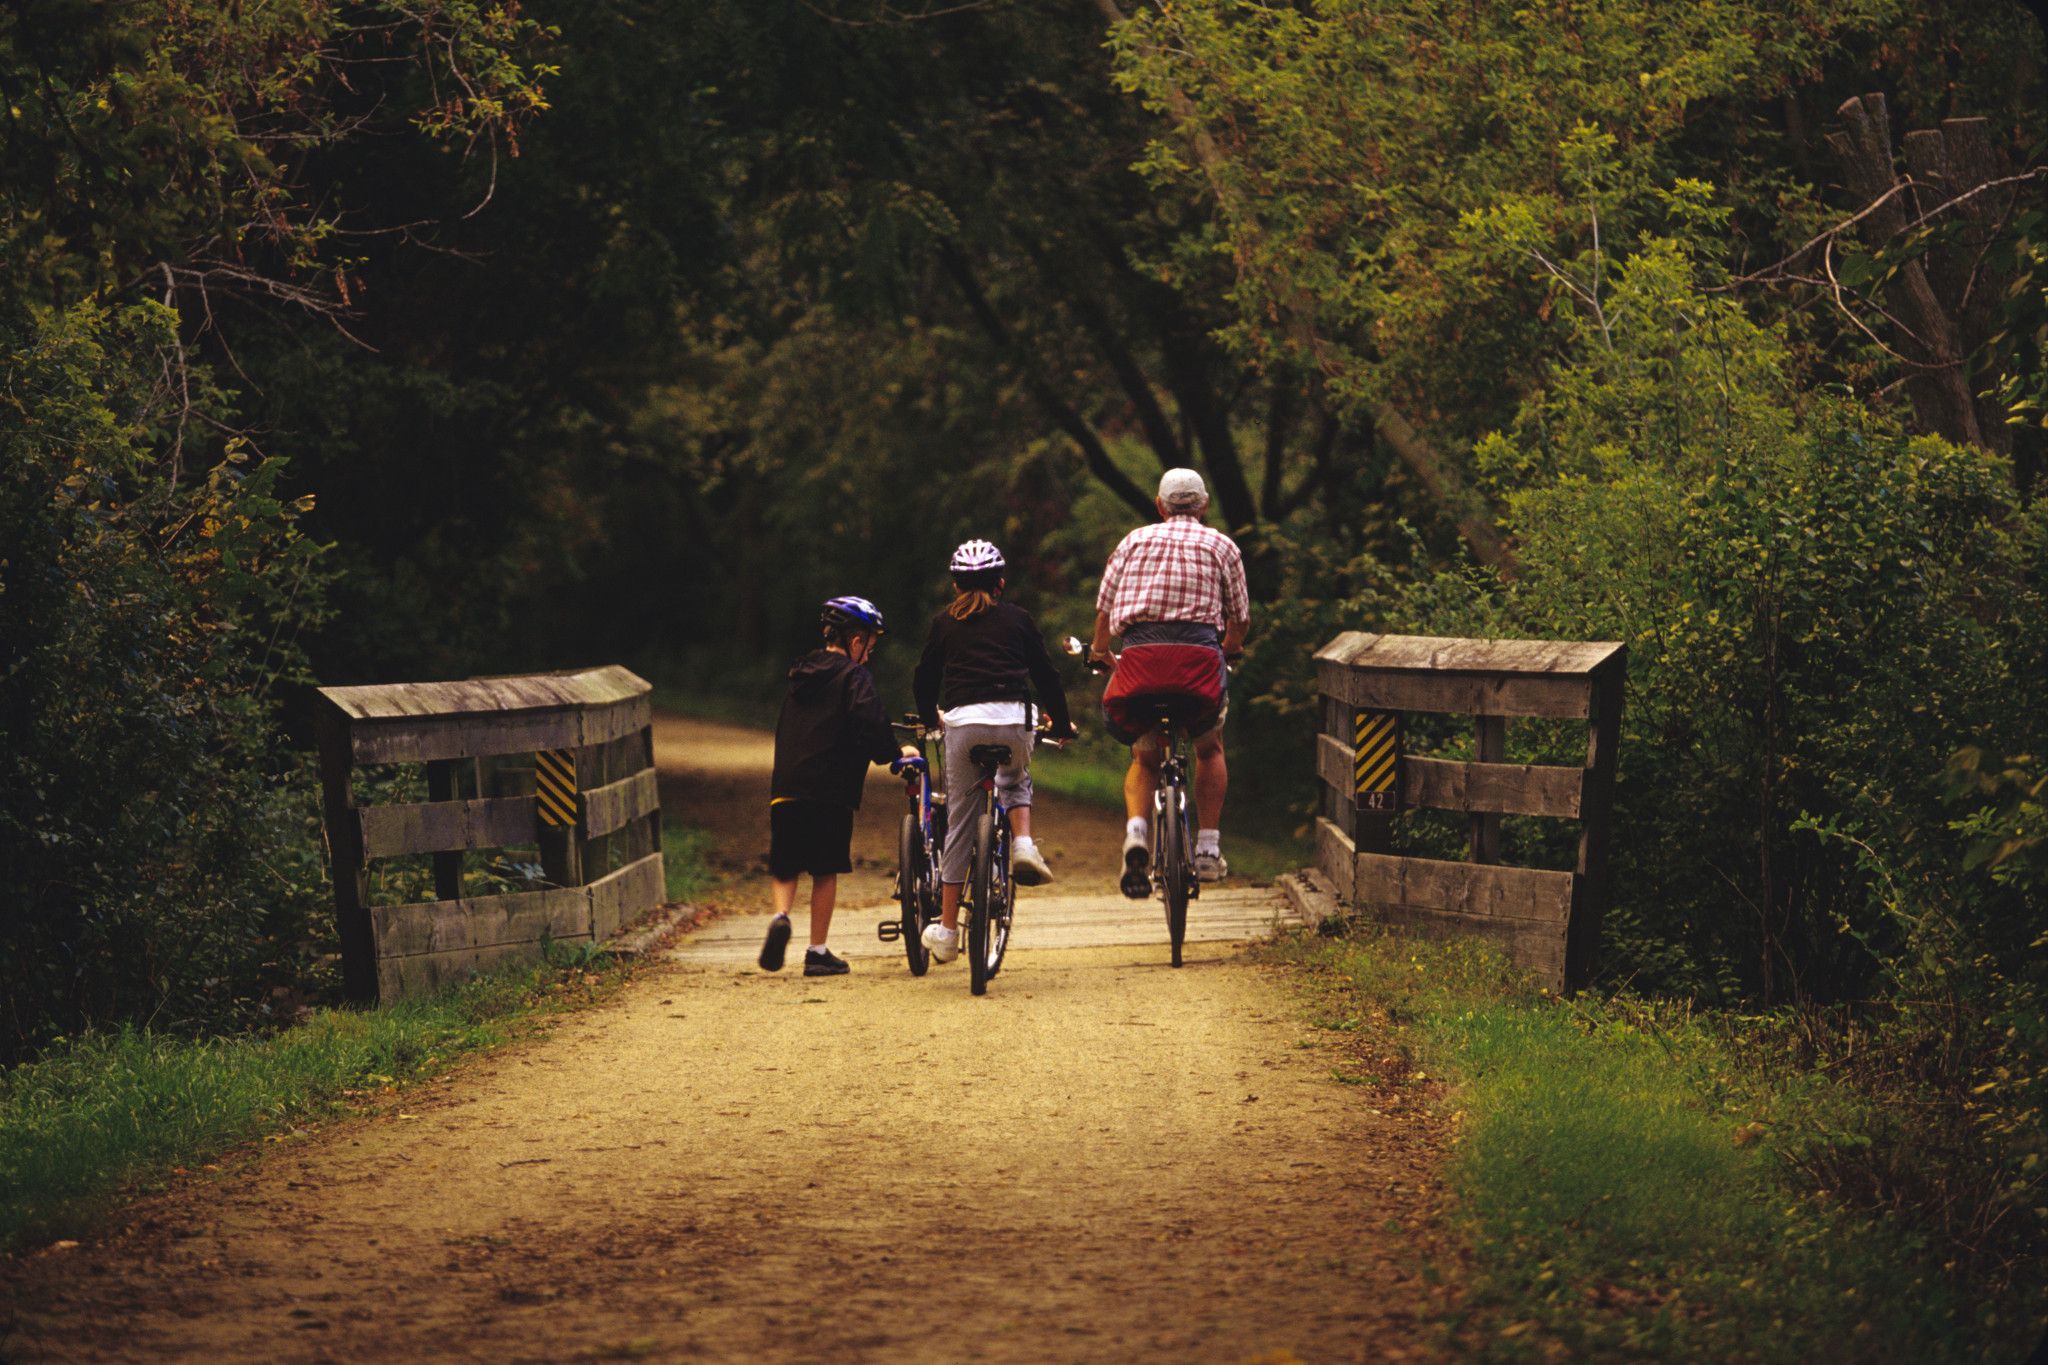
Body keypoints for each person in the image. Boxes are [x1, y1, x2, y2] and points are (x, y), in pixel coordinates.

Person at [909, 539, 1077, 964]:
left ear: (954, 584)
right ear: (1000, 583)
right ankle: (1022, 842)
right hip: (1013, 720)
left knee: (960, 825)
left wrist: (931, 716)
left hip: (963, 724)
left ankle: (947, 932)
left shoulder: (944, 622)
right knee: (1015, 777)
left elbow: (925, 679)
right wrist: (1060, 721)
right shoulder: (1019, 619)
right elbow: (1046, 675)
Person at [1088, 468, 1250, 887]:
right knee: (1209, 747)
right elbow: (1240, 617)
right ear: (1204, 506)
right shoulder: (1222, 545)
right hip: (1198, 663)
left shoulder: (1133, 541)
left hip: (1140, 660)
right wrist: (1230, 648)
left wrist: (1100, 652)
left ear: (1159, 506)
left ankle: (1137, 834)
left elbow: (1104, 611)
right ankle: (1209, 848)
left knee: (1145, 757)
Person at [759, 596, 920, 977]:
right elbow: (869, 719)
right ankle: (817, 951)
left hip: (786, 788)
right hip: (829, 791)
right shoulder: (854, 676)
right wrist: (895, 753)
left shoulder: (800, 676)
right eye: (869, 644)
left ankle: (781, 916)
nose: (869, 653)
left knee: (786, 863)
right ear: (854, 639)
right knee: (824, 869)